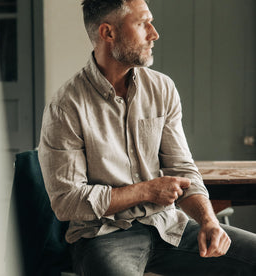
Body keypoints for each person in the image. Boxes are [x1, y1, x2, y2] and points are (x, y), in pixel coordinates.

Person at [38, 0, 256, 275]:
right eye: (142, 24)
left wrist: (209, 221)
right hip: (104, 236)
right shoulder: (65, 106)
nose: (154, 34)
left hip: (169, 226)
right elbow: (67, 201)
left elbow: (182, 169)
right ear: (108, 33)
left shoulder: (162, 88)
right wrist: (147, 190)